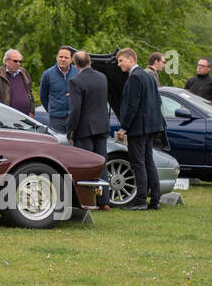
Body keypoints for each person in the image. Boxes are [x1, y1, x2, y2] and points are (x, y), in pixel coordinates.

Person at [115, 47, 164, 210]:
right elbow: (157, 101)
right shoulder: (147, 76)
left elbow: (132, 105)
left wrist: (124, 128)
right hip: (150, 127)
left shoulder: (135, 77)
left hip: (138, 128)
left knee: (138, 163)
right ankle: (155, 199)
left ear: (131, 59)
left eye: (121, 61)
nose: (119, 65)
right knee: (148, 162)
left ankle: (141, 201)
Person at [65, 50, 111, 209]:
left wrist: (70, 131)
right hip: (102, 125)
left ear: (75, 64)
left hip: (85, 128)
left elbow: (76, 109)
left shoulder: (76, 81)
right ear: (90, 61)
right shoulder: (102, 77)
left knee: (85, 165)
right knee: (102, 163)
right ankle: (104, 201)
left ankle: (86, 200)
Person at [0, 49, 36, 116]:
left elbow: (30, 93)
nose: (18, 64)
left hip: (25, 118)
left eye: (20, 61)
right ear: (6, 61)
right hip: (6, 118)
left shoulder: (23, 72)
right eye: (15, 61)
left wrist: (32, 111)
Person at [39, 46, 78, 132]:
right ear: (56, 57)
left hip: (74, 118)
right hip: (56, 119)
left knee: (74, 144)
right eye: (61, 57)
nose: (63, 59)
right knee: (59, 144)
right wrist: (52, 110)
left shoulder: (78, 72)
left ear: (71, 59)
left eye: (66, 57)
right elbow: (43, 97)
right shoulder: (47, 74)